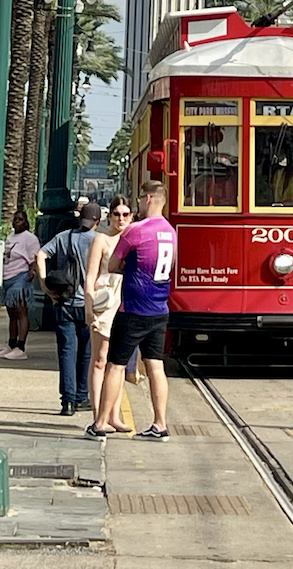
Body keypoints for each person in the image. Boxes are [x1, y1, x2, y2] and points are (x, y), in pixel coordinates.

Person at [86, 180, 177, 442]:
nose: (136, 205)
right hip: (160, 308)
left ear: (148, 199)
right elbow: (170, 265)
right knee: (155, 366)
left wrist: (132, 269)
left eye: (139, 199)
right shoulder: (171, 232)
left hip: (133, 308)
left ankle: (101, 422)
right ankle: (160, 424)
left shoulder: (136, 231)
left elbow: (114, 265)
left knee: (115, 365)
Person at [37, 201, 101, 415]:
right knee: (86, 353)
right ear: (97, 222)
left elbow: (41, 255)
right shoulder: (98, 241)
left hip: (64, 301)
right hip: (88, 305)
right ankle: (82, 396)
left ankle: (68, 402)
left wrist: (45, 285)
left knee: (67, 352)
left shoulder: (64, 237)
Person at [84, 194, 132, 432]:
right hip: (104, 303)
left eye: (125, 214)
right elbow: (90, 276)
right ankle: (98, 414)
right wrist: (88, 307)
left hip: (126, 302)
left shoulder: (134, 239)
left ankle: (113, 415)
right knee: (100, 358)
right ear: (109, 216)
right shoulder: (101, 240)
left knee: (119, 361)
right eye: (116, 214)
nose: (121, 219)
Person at [0, 210, 41, 361]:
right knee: (11, 313)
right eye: (15, 219)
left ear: (26, 222)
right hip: (7, 277)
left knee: (21, 312)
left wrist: (32, 272)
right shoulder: (10, 237)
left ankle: (21, 347)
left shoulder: (30, 238)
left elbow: (35, 257)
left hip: (20, 278)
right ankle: (11, 343)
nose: (16, 221)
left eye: (20, 219)